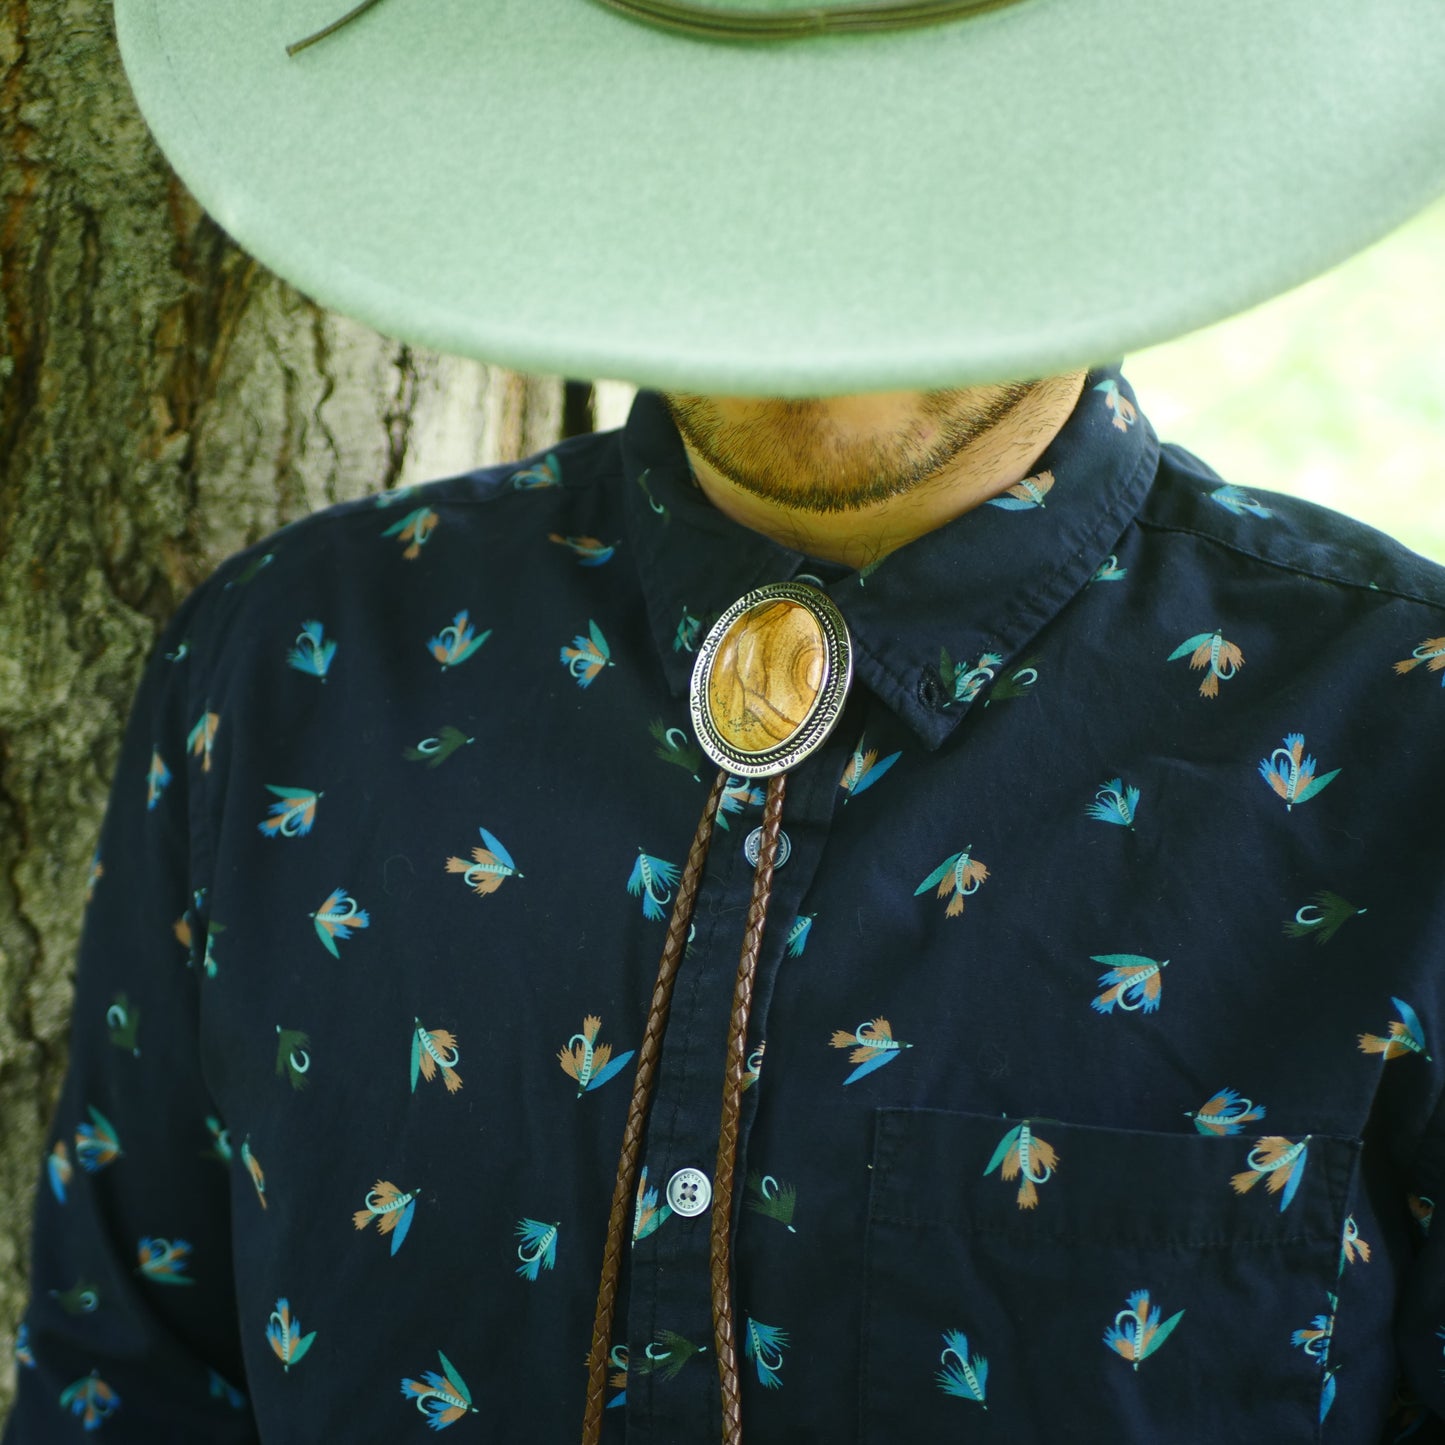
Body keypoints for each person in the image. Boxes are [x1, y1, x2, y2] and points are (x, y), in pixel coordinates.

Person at [7, 1, 1445, 1442]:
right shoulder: (287, 677)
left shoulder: (1401, 742)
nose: (817, 265)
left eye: (921, 149)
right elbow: (124, 1386)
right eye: (731, 142)